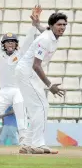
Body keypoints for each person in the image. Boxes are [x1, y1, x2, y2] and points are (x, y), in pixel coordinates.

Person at [0, 5, 44, 146]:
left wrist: (34, 24)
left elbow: (29, 39)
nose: (10, 44)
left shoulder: (21, 54)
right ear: (3, 45)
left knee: (19, 104)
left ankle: (23, 137)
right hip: (4, 90)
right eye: (7, 42)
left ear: (16, 45)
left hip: (18, 89)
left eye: (12, 42)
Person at [15, 11, 67, 154]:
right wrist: (50, 86)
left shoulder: (51, 35)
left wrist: (37, 24)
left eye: (64, 25)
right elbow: (36, 65)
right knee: (41, 106)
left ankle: (27, 144)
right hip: (27, 73)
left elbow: (45, 30)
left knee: (40, 107)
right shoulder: (45, 40)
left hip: (29, 74)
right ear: (52, 25)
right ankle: (37, 144)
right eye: (59, 25)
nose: (62, 27)